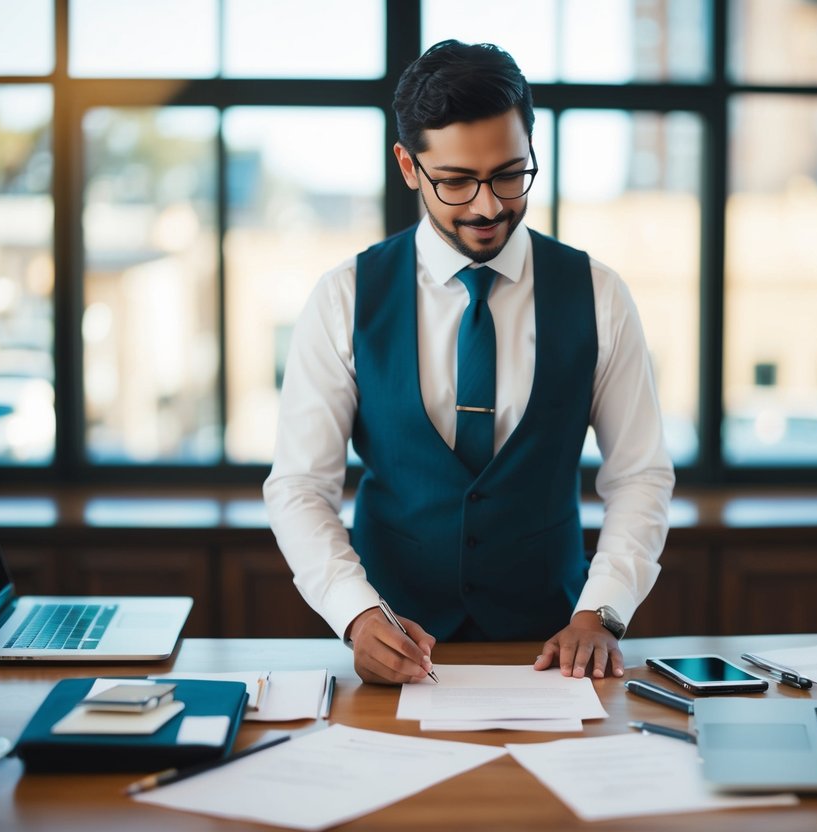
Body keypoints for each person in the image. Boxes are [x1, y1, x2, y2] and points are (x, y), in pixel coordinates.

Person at [264, 40, 674, 685]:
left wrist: (603, 611)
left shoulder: (598, 294)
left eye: (511, 175)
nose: (488, 207)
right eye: (456, 181)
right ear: (408, 165)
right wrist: (356, 614)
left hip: (554, 648)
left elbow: (640, 475)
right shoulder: (344, 296)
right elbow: (299, 486)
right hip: (396, 645)